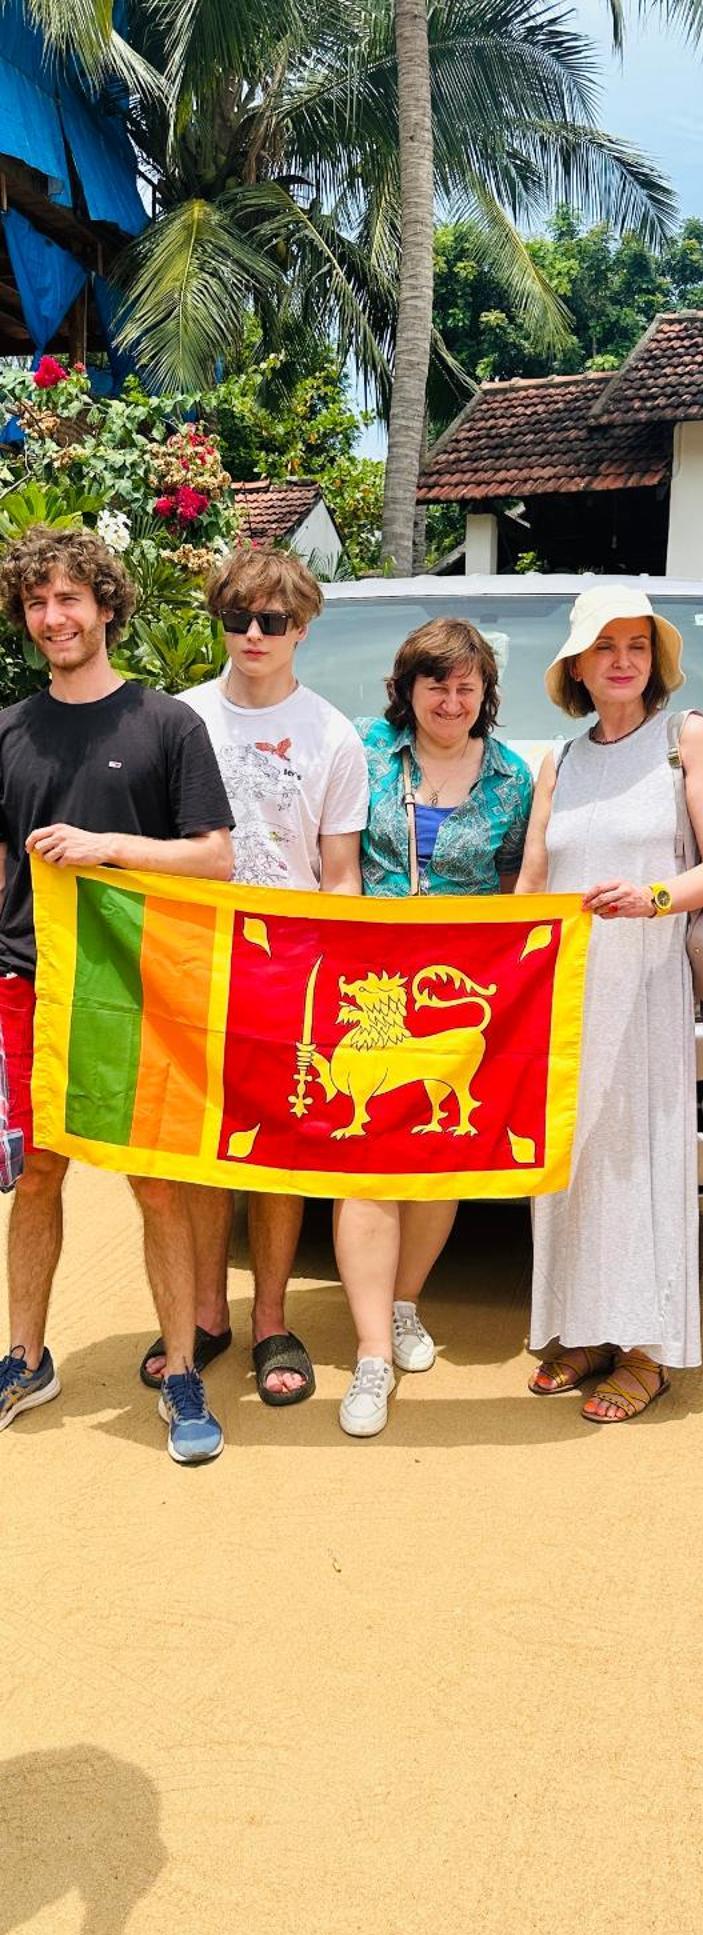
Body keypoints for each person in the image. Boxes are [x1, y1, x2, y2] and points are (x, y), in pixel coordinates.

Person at [0, 527, 234, 1464]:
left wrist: (109, 849)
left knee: (157, 1182)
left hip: (140, 990)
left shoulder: (168, 723)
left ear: (105, 605)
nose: (54, 617)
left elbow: (216, 857)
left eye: (69, 599)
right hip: (29, 985)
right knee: (38, 1175)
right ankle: (25, 1357)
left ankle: (180, 1369)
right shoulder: (8, 729)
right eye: (36, 603)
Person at [138, 545, 368, 1408]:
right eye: (237, 619)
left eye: (272, 620)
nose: (253, 634)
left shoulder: (333, 733)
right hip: (193, 953)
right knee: (197, 1146)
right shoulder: (176, 718)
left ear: (301, 628)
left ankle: (271, 1316)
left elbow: (340, 873)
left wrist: (333, 969)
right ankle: (205, 1312)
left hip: (292, 965)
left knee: (281, 1150)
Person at [517, 584, 703, 1422]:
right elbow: (534, 879)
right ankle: (583, 1328)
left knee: (637, 1165)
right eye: (603, 646)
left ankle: (646, 1350)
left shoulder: (686, 740)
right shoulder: (561, 761)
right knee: (568, 1168)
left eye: (636, 646)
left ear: (655, 661)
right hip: (567, 991)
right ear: (576, 663)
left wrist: (652, 897)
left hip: (644, 981)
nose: (620, 661)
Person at [333, 616, 533, 1437]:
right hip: (375, 982)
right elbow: (340, 865)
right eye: (434, 684)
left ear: (484, 693)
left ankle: (406, 1300)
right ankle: (372, 1353)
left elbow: (521, 882)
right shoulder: (365, 754)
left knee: (441, 1156)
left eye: (465, 686)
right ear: (405, 689)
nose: (449, 700)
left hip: (463, 991)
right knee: (368, 1156)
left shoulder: (516, 777)